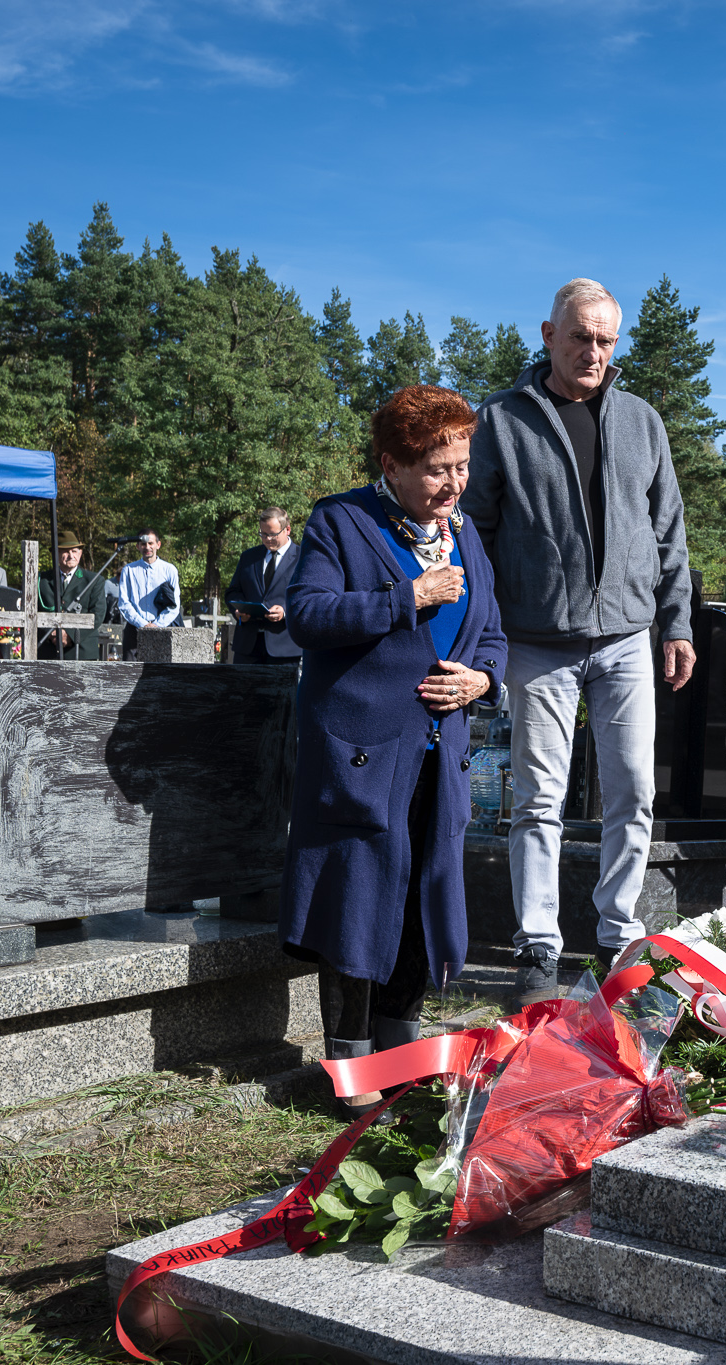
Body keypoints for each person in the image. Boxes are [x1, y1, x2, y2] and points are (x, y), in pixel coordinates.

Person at [464, 278, 696, 1005]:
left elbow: (668, 530)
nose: (594, 352)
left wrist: (677, 621)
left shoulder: (642, 420)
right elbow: (474, 534)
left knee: (634, 793)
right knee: (539, 799)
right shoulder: (500, 420)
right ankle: (538, 946)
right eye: (580, 337)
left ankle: (618, 935)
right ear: (548, 334)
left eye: (605, 340)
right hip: (539, 641)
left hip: (626, 636)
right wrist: (484, 633)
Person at [282, 385, 507, 1113]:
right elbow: (307, 616)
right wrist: (408, 597)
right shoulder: (341, 520)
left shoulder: (465, 534)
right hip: (362, 755)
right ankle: (351, 1074)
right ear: (392, 464)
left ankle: (403, 1062)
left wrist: (482, 679)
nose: (455, 482)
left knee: (420, 900)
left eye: (462, 465)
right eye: (438, 468)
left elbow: (492, 632)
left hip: (440, 756)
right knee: (357, 904)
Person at [226, 507, 302, 665]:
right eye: (263, 534)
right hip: (247, 647)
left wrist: (285, 611)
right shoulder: (248, 557)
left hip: (284, 648)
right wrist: (238, 611)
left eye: (273, 534)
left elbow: (308, 595)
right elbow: (233, 592)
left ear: (287, 530)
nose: (267, 539)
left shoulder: (303, 558)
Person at [38, 535, 104, 660]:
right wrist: (51, 633)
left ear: (80, 554)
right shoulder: (41, 580)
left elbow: (98, 614)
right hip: (48, 651)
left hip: (82, 652)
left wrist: (69, 635)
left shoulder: (94, 580)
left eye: (74, 551)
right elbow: (34, 611)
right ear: (56, 554)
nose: (71, 555)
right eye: (66, 552)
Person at [118, 530, 179, 654]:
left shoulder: (169, 570)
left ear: (158, 545)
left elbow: (174, 605)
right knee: (130, 667)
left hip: (163, 629)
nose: (147, 547)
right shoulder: (128, 570)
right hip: (134, 629)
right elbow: (124, 603)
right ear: (137, 546)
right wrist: (143, 624)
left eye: (150, 543)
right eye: (143, 544)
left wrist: (157, 625)